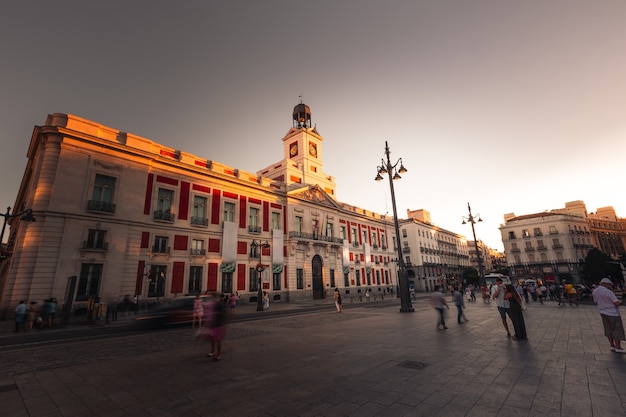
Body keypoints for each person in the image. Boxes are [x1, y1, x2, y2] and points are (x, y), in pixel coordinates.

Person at [592, 278, 625, 353]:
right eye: (609, 284)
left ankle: (612, 345)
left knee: (608, 329)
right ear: (605, 284)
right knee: (616, 329)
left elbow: (596, 301)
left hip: (602, 312)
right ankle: (618, 347)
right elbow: (616, 303)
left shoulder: (595, 291)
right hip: (613, 313)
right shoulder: (608, 292)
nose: (609, 286)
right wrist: (621, 302)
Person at [203, 292, 227, 361]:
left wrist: (224, 325)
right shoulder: (213, 304)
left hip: (218, 324)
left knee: (218, 341)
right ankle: (212, 351)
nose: (212, 298)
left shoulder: (219, 304)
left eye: (213, 297)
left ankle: (218, 355)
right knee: (212, 339)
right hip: (212, 324)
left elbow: (223, 315)